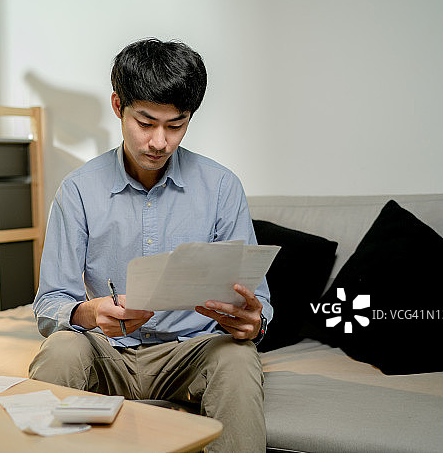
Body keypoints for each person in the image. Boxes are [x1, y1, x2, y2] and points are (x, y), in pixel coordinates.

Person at [30, 38, 272, 452]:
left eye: (175, 125)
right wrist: (88, 312)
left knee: (238, 358)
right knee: (61, 351)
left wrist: (254, 321)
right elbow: (51, 301)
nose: (159, 141)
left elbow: (257, 302)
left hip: (192, 354)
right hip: (107, 353)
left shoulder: (221, 187)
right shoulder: (78, 191)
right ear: (117, 105)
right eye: (146, 123)